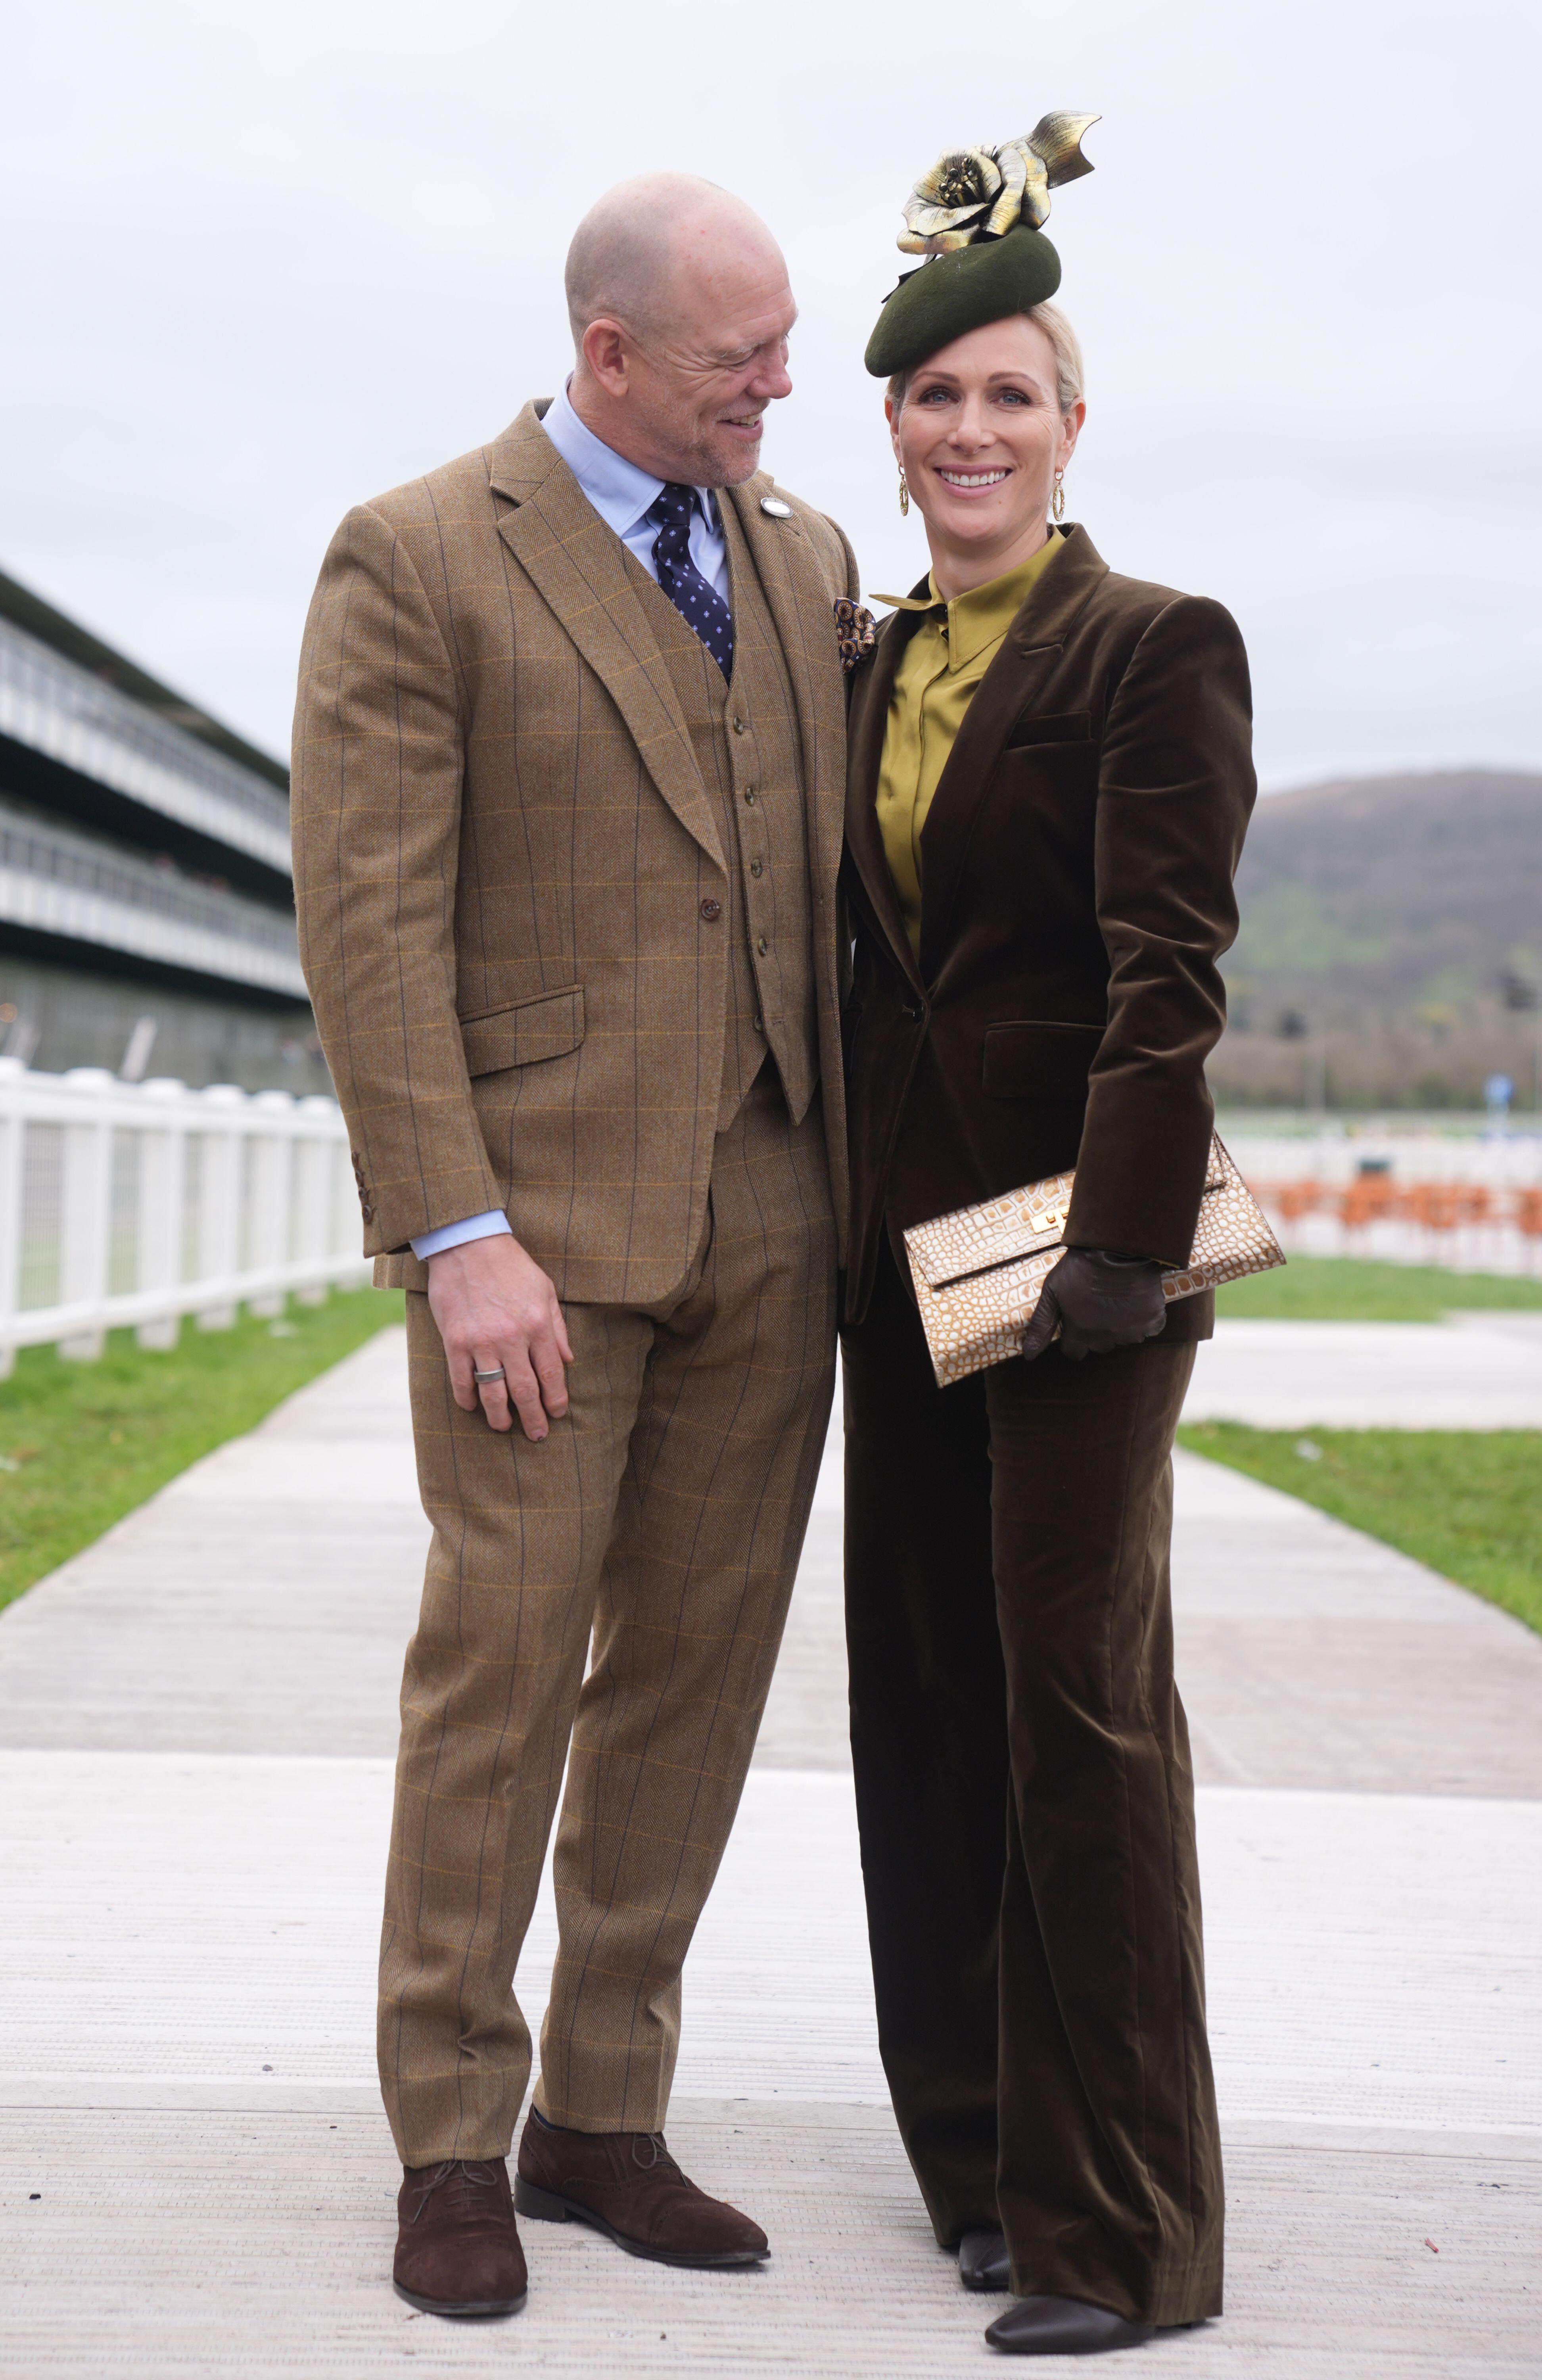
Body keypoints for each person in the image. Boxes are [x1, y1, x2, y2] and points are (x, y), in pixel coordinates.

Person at [291, 173, 859, 2319]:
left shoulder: (806, 560)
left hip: (776, 1222)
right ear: (611, 355)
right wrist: (454, 1234)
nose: (787, 388)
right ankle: (451, 2131)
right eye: (745, 359)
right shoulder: (422, 553)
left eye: (788, 345)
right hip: (530, 1242)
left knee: (694, 1690)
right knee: (503, 1680)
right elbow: (371, 930)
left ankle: (603, 2112)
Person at [839, 120, 1256, 2356]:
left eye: (1014, 392)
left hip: (1080, 1272)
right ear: (888, 427)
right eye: (937, 394)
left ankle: (1131, 2237)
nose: (974, 428)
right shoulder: (863, 655)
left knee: (1080, 1718)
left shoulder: (1156, 645)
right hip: (892, 1265)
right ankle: (982, 2165)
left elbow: (1166, 971)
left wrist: (1117, 1250)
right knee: (920, 1705)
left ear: (1071, 425)